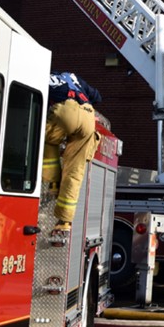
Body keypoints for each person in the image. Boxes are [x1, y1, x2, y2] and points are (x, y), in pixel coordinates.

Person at [44, 71, 103, 235]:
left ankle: (54, 184)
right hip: (88, 117)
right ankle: (64, 221)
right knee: (75, 170)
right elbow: (97, 97)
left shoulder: (43, 74)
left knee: (47, 140)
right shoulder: (73, 77)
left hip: (65, 111)